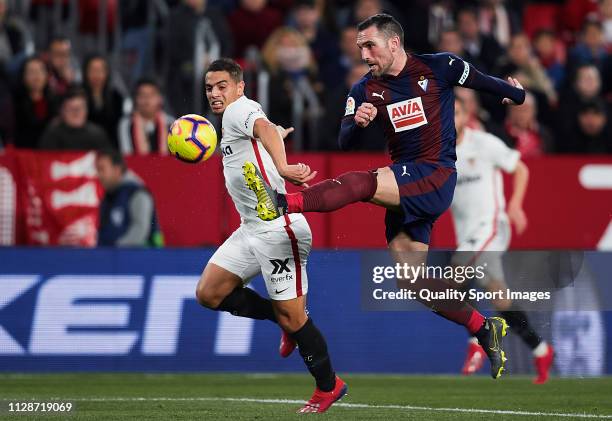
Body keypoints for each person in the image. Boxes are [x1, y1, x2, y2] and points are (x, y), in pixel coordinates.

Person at [247, 14, 527, 379]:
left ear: (394, 43)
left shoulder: (440, 67)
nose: (364, 54)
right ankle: (482, 326)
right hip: (406, 185)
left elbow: (488, 84)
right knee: (412, 280)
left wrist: (516, 94)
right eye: (360, 47)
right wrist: (357, 123)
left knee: (366, 182)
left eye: (370, 45)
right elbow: (344, 140)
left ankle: (286, 204)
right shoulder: (363, 90)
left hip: (435, 174)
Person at [196, 58, 346, 414]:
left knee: (296, 318)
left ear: (238, 87)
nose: (215, 94)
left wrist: (281, 164)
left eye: (221, 86)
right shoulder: (233, 120)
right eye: (208, 88)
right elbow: (264, 131)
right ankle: (281, 319)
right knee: (209, 293)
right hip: (251, 227)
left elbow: (261, 126)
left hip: (280, 229)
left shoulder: (238, 110)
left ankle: (329, 386)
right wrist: (275, 138)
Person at [451, 96, 554, 384]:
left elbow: (520, 168)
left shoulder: (484, 143)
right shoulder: (439, 153)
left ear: (466, 114)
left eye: (456, 112)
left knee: (454, 276)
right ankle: (541, 349)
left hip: (492, 227)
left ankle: (478, 342)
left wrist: (516, 204)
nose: (451, 118)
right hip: (468, 235)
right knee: (500, 297)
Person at [96, 149, 164, 247]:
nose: (99, 175)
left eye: (102, 169)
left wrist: (115, 252)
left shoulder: (138, 194)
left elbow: (140, 231)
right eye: (98, 169)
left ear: (117, 170)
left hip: (140, 260)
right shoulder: (108, 197)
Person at [38, 87, 111, 151]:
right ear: (62, 111)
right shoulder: (52, 135)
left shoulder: (97, 134)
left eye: (80, 108)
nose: (76, 113)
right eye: (70, 108)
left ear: (86, 110)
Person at [118, 78, 174, 155]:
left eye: (151, 95)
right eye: (142, 95)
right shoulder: (126, 124)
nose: (147, 100)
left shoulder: (171, 124)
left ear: (160, 98)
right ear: (135, 99)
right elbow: (126, 154)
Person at [13, 56, 57, 149]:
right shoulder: (14, 104)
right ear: (23, 77)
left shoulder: (56, 102)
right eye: (31, 72)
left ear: (47, 75)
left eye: (40, 71)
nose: (36, 76)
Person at [82, 54, 124, 149]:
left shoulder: (116, 97)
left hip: (109, 149)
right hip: (83, 147)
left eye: (100, 70)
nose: (96, 75)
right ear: (85, 72)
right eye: (92, 70)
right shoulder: (79, 96)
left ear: (107, 72)